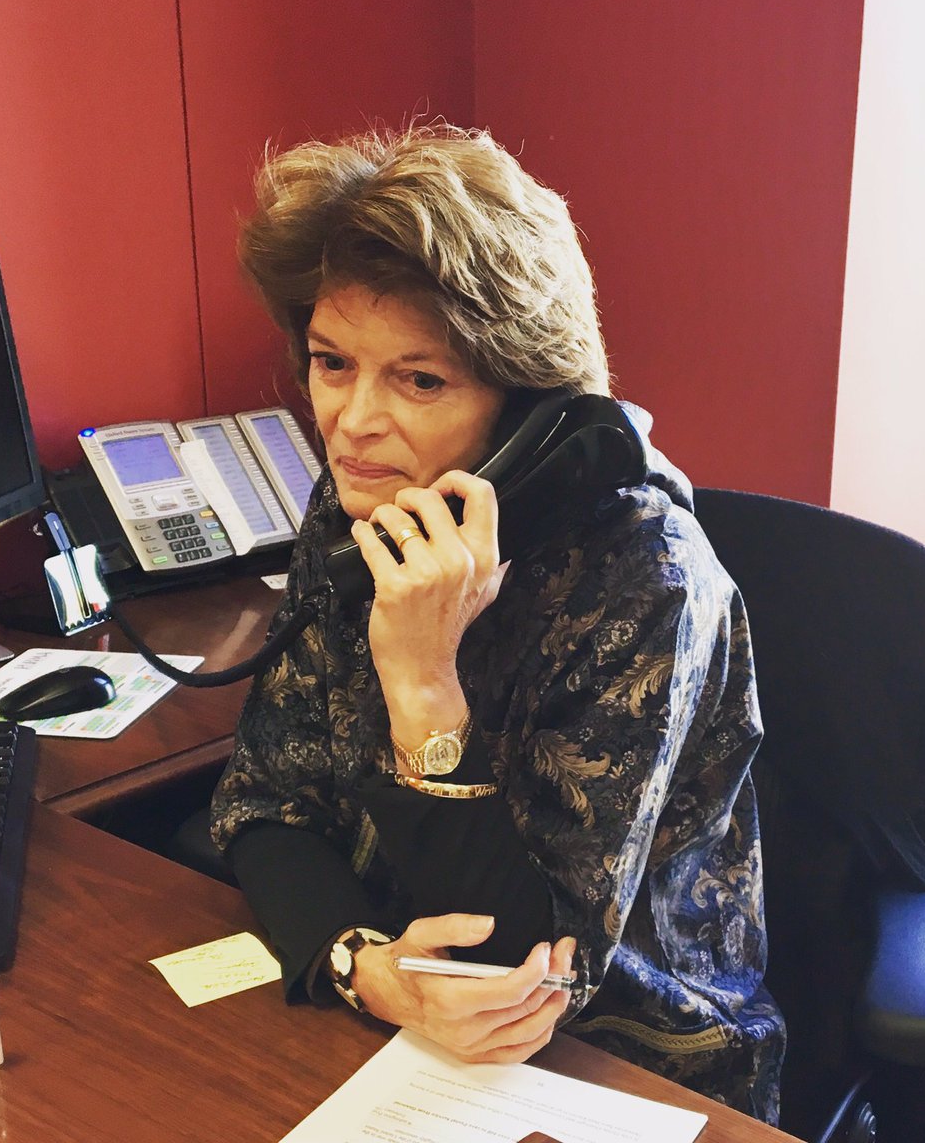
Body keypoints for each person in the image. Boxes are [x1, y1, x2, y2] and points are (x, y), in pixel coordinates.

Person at [210, 124, 784, 1122]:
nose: (353, 422)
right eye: (332, 363)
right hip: (402, 1020)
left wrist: (422, 681)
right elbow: (260, 801)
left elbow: (525, 971)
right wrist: (362, 965)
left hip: (625, 1063)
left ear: (529, 409)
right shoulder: (371, 498)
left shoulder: (648, 577)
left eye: (420, 379)